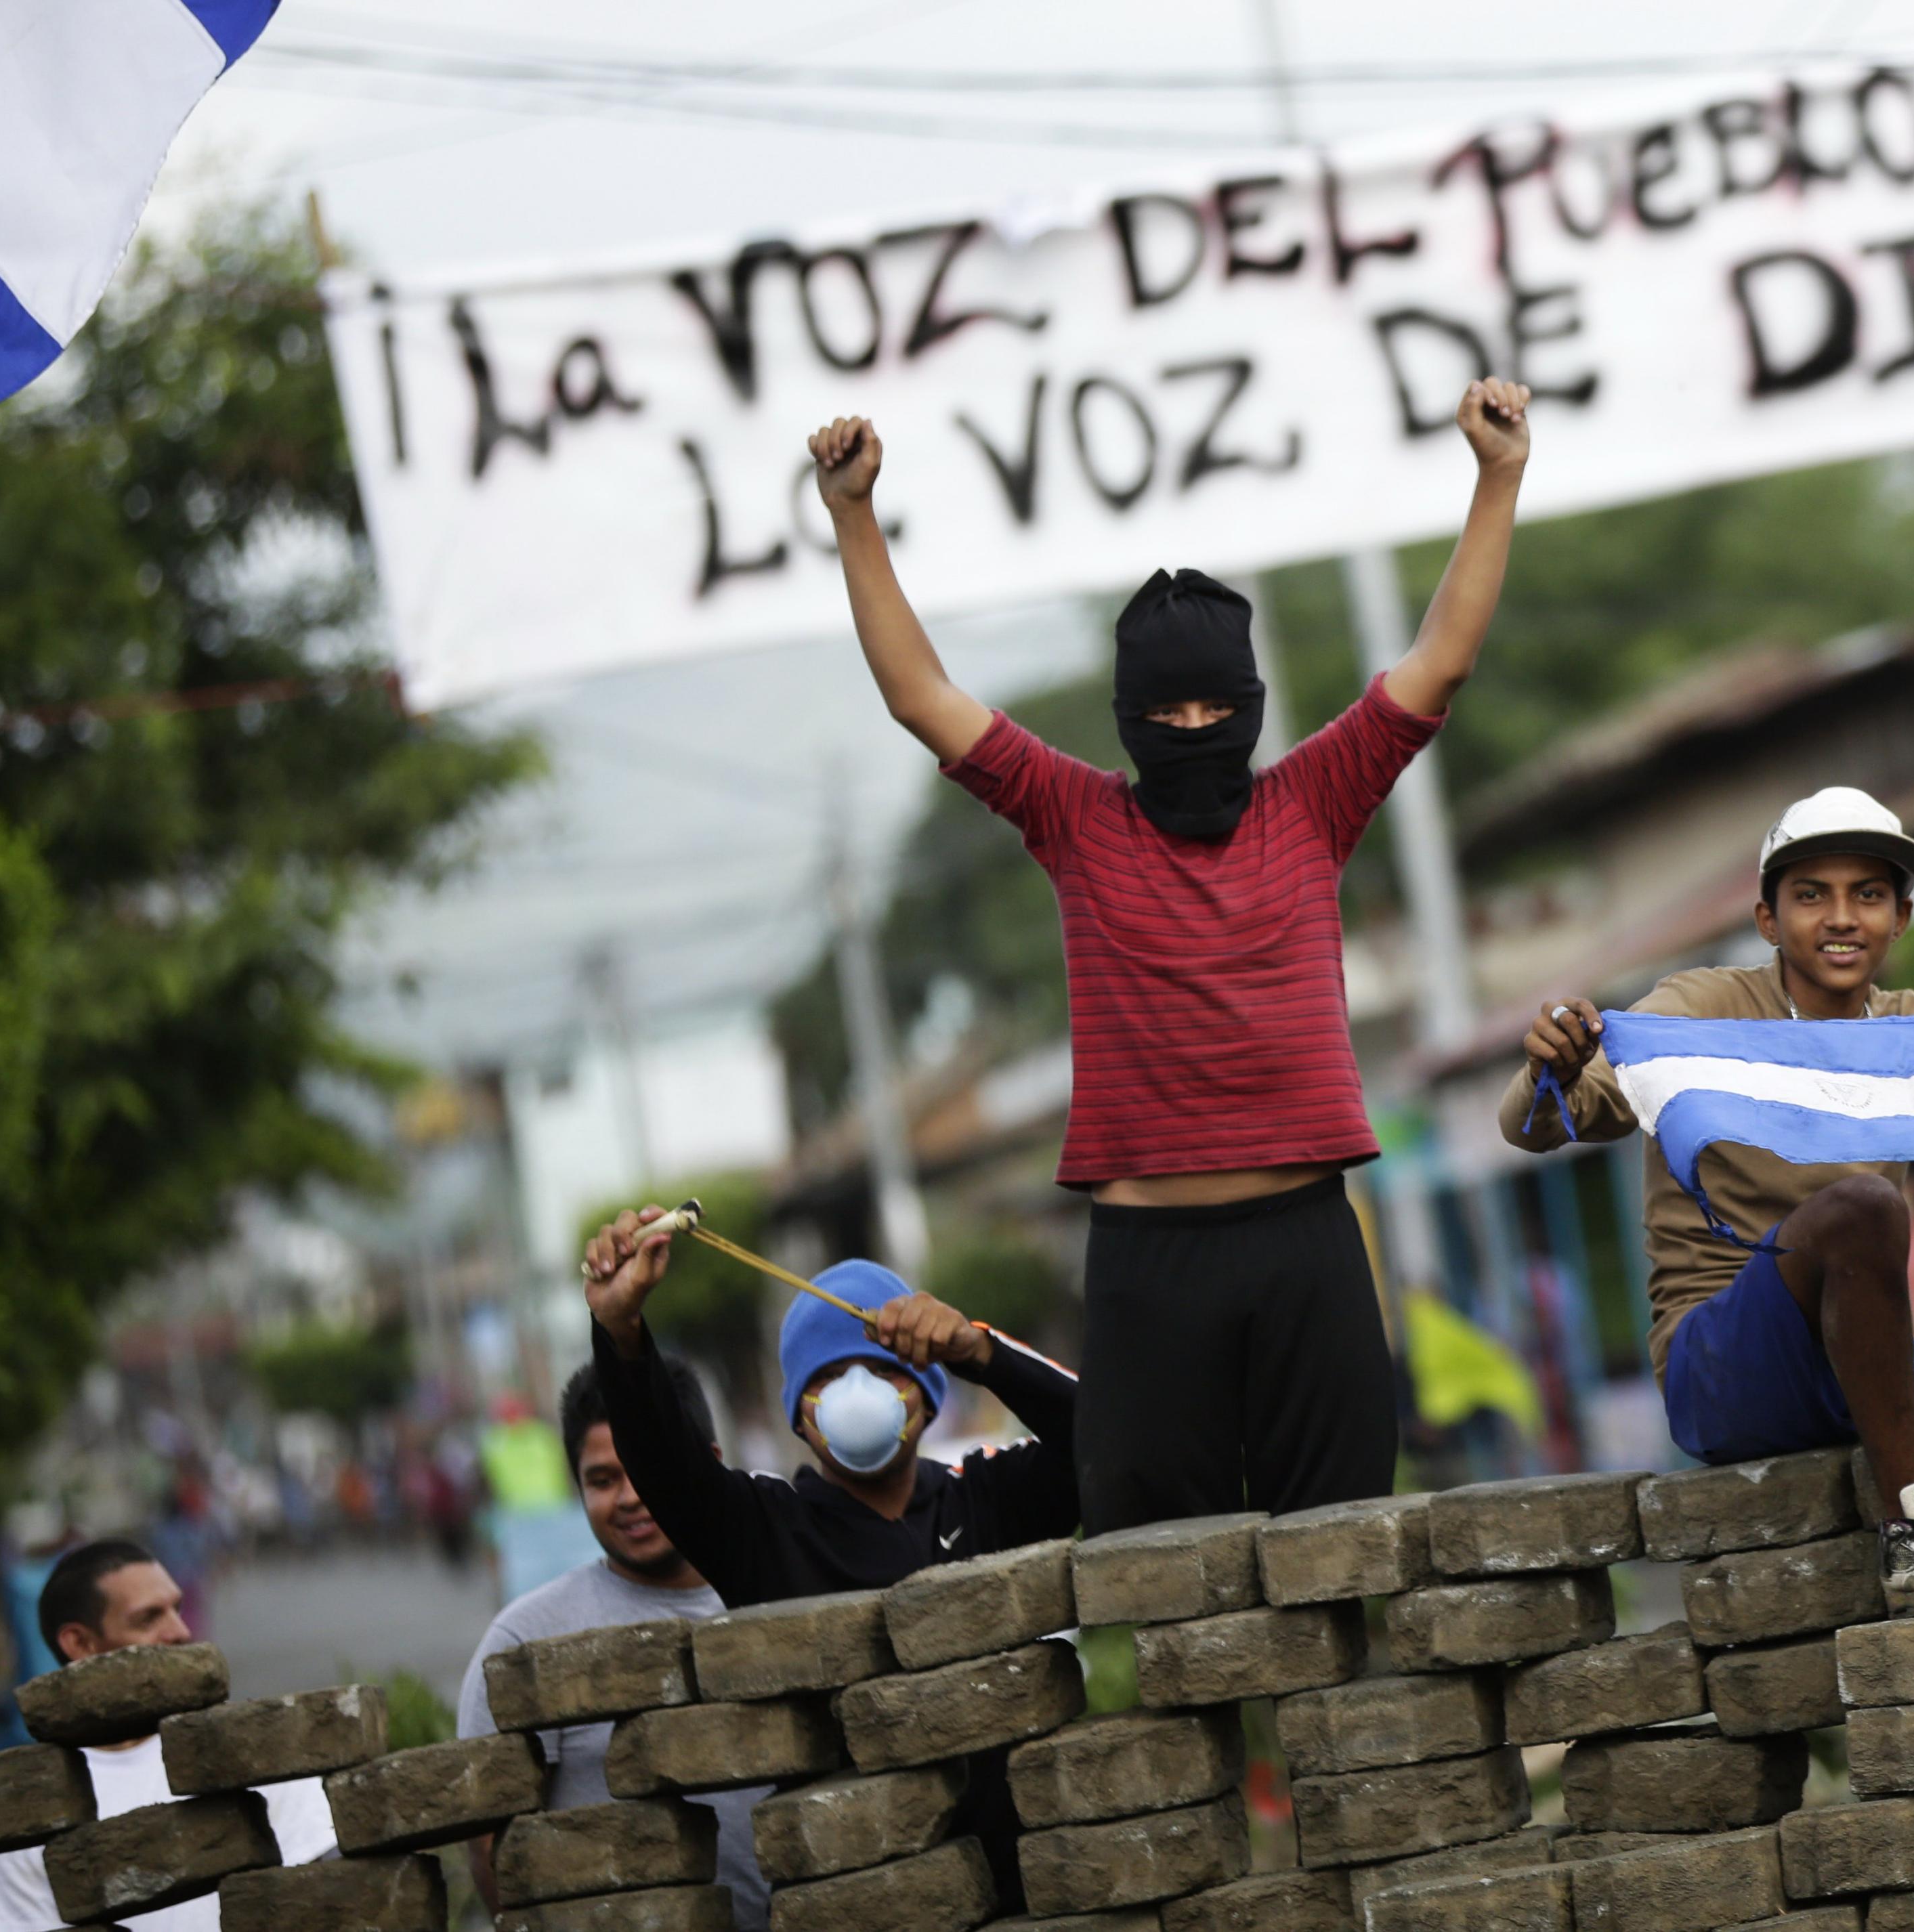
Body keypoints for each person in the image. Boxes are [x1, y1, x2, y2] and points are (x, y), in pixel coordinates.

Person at [807, 382, 1532, 1534]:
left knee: (1344, 1548)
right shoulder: (1075, 814)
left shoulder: (1315, 798)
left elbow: (1438, 662)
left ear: (1250, 704)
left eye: (1216, 707)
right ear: (1124, 718)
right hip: (1150, 1263)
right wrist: (854, 514)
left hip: (1308, 1241)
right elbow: (921, 695)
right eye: (1165, 713)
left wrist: (1497, 476)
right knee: (1160, 1561)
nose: (1193, 729)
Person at [1504, 786, 1914, 1616]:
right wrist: (1553, 1065)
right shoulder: (1701, 1011)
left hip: (1863, 1359)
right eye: (1810, 895)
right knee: (1859, 1209)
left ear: (1900, 918)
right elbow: (1539, 1124)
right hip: (1719, 1364)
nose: (1840, 918)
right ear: (1766, 918)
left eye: (1867, 895)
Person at [576, 1240, 1078, 1606]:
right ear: (799, 1416)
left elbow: (1100, 1438)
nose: (857, 1391)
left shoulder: (989, 1495)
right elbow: (663, 1464)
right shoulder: (762, 1532)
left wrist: (982, 1352)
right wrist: (621, 1329)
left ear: (927, 1401)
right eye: (830, 1375)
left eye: (884, 1369)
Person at [456, 1365, 765, 1929]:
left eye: (652, 1467)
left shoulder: (783, 1595)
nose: (630, 1497)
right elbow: (487, 1842)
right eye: (602, 1480)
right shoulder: (525, 1641)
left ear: (711, 1461)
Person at [0, 1541, 337, 1932]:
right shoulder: (24, 1808)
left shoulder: (254, 1753)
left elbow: (326, 1896)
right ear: (80, 1644)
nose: (180, 1632)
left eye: (177, 1609)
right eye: (148, 1618)